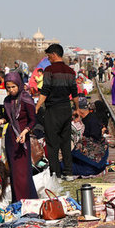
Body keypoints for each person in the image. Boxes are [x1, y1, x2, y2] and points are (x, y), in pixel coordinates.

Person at [36, 44, 79, 182]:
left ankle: (56, 174)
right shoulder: (70, 72)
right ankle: (68, 172)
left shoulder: (49, 70)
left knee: (52, 142)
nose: (48, 59)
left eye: (49, 56)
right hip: (66, 108)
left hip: (53, 109)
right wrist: (76, 108)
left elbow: (45, 90)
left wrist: (37, 106)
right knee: (66, 141)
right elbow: (75, 92)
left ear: (54, 54)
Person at [0, 71, 38, 202]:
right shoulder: (7, 101)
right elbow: (9, 117)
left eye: (13, 87)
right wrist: (2, 121)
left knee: (23, 173)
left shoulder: (26, 98)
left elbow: (33, 120)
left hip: (23, 139)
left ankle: (28, 200)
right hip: (11, 139)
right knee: (14, 173)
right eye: (8, 87)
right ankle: (18, 201)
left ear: (19, 85)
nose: (11, 90)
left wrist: (25, 132)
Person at [71, 101, 110, 177]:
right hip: (92, 160)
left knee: (63, 166)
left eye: (74, 110)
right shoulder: (88, 118)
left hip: (91, 162)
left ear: (79, 110)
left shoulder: (91, 121)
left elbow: (93, 139)